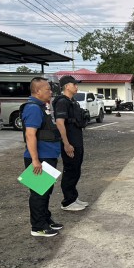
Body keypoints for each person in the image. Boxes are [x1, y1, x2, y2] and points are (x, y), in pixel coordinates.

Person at [21, 77, 62, 237]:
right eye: (47, 89)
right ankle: (38, 227)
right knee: (39, 193)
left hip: (47, 155)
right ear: (38, 91)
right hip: (40, 157)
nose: (50, 92)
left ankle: (45, 219)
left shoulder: (41, 107)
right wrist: (35, 160)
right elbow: (30, 135)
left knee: (46, 191)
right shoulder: (33, 108)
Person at [53, 75, 89, 212]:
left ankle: (73, 197)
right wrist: (66, 143)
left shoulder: (72, 101)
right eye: (74, 84)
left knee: (76, 170)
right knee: (70, 171)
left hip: (77, 140)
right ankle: (68, 201)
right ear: (67, 86)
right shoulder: (62, 102)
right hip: (70, 142)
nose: (76, 87)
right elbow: (60, 123)